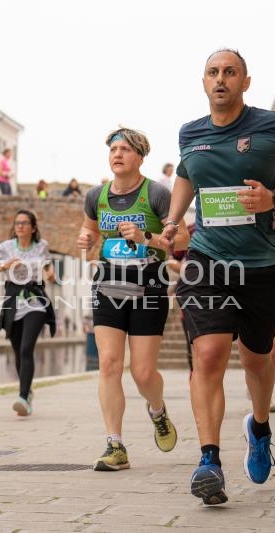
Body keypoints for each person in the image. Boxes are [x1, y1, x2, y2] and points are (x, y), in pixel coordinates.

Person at [161, 49, 275, 505]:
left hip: (263, 265)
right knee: (208, 354)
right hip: (208, 260)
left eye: (229, 72)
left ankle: (259, 427)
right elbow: (187, 178)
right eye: (213, 72)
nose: (220, 79)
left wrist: (274, 196)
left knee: (256, 360)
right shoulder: (190, 132)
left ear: (245, 81)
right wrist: (174, 220)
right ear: (203, 81)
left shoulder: (273, 125)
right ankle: (208, 460)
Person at [78, 127, 189, 472]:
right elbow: (91, 232)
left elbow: (182, 238)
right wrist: (85, 241)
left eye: (126, 149)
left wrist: (147, 237)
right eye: (113, 149)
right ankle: (115, 445)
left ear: (140, 156)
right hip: (109, 283)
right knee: (109, 364)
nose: (118, 154)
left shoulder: (156, 193)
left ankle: (157, 409)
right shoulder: (96, 195)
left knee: (142, 372)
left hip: (149, 285)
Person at [0, 209, 56, 416]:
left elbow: (48, 266)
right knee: (17, 350)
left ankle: (23, 397)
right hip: (13, 299)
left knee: (26, 348)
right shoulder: (5, 247)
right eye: (17, 223)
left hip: (35, 300)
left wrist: (50, 274)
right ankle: (27, 391)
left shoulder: (42, 246)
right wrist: (4, 265)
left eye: (25, 223)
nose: (20, 226)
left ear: (33, 228)